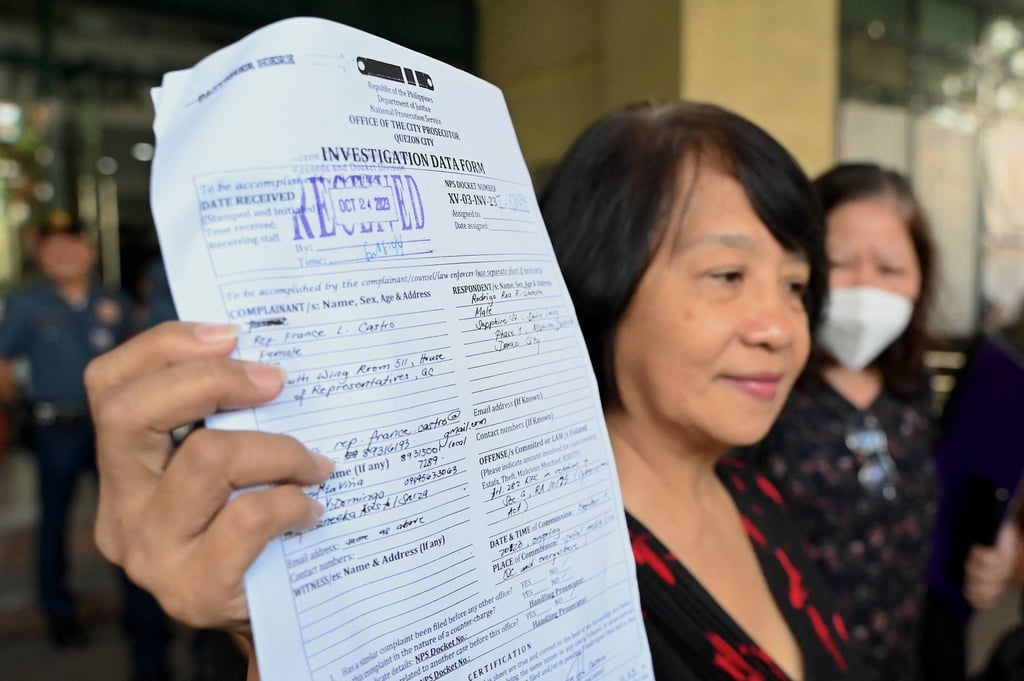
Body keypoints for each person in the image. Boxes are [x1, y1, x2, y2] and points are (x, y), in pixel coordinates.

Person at [83, 101, 859, 680]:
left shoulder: (755, 491)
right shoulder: (503, 556)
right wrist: (278, 637)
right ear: (602, 280)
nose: (779, 327)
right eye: (728, 274)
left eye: (796, 285)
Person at [739, 163, 1020, 681]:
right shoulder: (757, 386)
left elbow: (943, 502)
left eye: (889, 269)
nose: (865, 287)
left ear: (920, 278)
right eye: (839, 263)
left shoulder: (912, 388)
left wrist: (994, 551)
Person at [0, 214, 172, 681]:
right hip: (54, 429)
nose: (63, 254)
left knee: (125, 517)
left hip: (108, 430)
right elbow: (3, 362)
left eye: (71, 245)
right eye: (53, 247)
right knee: (53, 522)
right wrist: (19, 414)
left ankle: (141, 616)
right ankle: (58, 611)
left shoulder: (112, 301)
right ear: (40, 255)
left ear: (89, 251)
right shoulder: (26, 303)